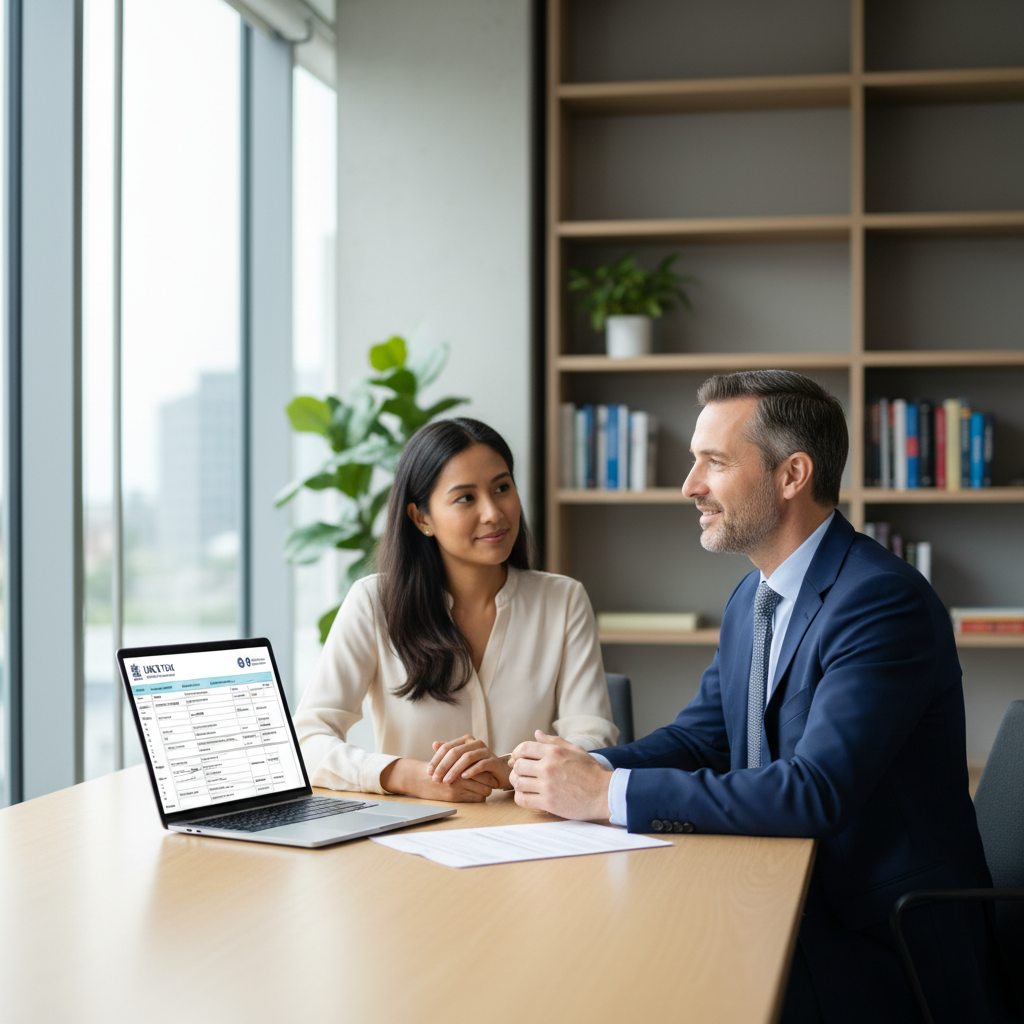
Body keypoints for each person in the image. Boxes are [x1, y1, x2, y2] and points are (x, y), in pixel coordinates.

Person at [508, 371, 1016, 1023]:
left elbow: (815, 791)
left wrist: (605, 795)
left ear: (791, 474)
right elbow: (703, 738)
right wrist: (574, 769)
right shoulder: (755, 594)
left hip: (878, 938)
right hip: (783, 890)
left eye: (714, 463)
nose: (689, 485)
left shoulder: (880, 601)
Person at [294, 416, 617, 803]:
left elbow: (593, 738)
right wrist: (406, 774)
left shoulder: (563, 600)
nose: (493, 513)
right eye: (465, 498)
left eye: (502, 488)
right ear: (422, 518)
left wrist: (510, 768)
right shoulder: (373, 603)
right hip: (417, 830)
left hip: (532, 827)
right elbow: (306, 741)